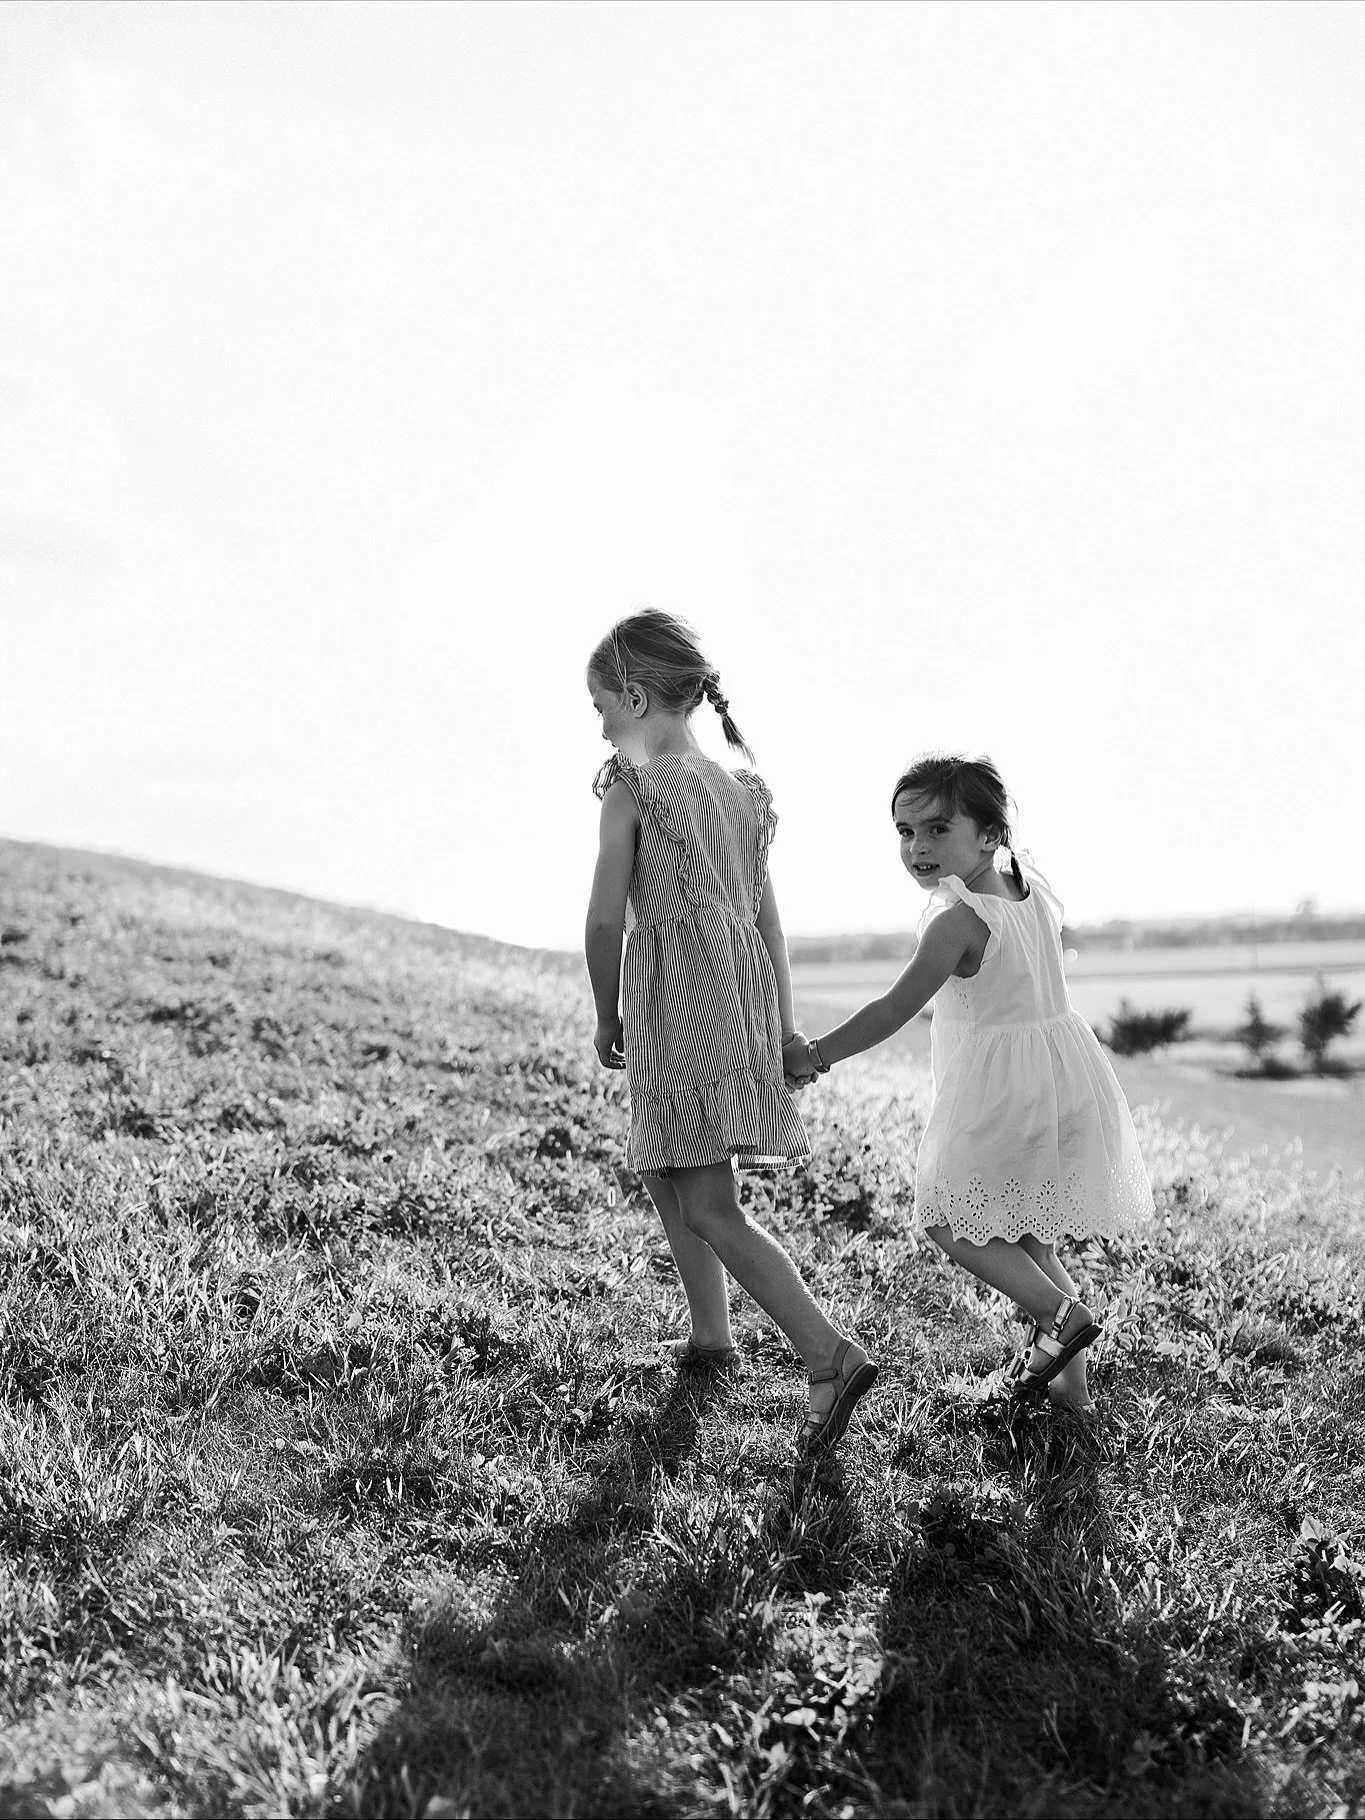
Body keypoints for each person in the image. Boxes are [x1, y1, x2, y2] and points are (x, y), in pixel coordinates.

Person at [584, 608, 877, 1451]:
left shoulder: (633, 790)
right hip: (737, 998)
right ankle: (711, 1333)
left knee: (710, 1204)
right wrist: (780, 1026)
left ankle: (827, 1352)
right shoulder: (742, 794)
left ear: (635, 697)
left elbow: (604, 921)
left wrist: (605, 1012)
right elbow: (768, 924)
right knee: (666, 1165)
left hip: (679, 1002)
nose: (599, 727)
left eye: (601, 706)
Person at [785, 752, 1154, 1412]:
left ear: (989, 834)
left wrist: (814, 1055)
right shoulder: (1027, 887)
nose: (917, 848)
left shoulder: (958, 920)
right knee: (1029, 1236)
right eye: (905, 832)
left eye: (937, 829)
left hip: (1003, 1093)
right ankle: (1073, 1397)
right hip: (1061, 1077)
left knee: (947, 1215)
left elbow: (893, 1009)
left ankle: (1061, 1316)